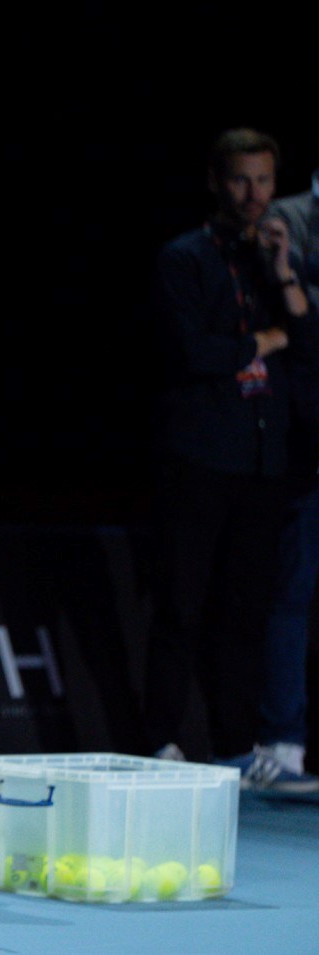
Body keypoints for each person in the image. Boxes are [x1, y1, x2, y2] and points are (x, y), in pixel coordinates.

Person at [145, 129, 318, 779]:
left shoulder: (278, 259)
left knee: (246, 608)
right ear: (216, 182)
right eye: (241, 181)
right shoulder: (182, 259)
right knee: (180, 603)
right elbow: (194, 353)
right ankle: (160, 733)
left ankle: (234, 740)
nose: (254, 195)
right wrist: (264, 339)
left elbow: (307, 345)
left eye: (265, 182)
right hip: (197, 455)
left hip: (263, 459)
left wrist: (281, 281)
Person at [249, 167, 319, 791]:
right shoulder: (290, 219)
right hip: (308, 437)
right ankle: (284, 743)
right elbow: (304, 326)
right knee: (293, 590)